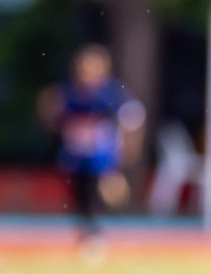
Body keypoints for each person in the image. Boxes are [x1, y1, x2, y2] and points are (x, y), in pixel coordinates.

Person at [39, 44, 145, 239]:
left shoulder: (111, 92)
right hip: (76, 154)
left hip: (102, 155)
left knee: (103, 191)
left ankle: (98, 229)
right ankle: (85, 229)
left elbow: (131, 116)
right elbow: (53, 113)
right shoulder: (69, 91)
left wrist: (128, 145)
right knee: (79, 193)